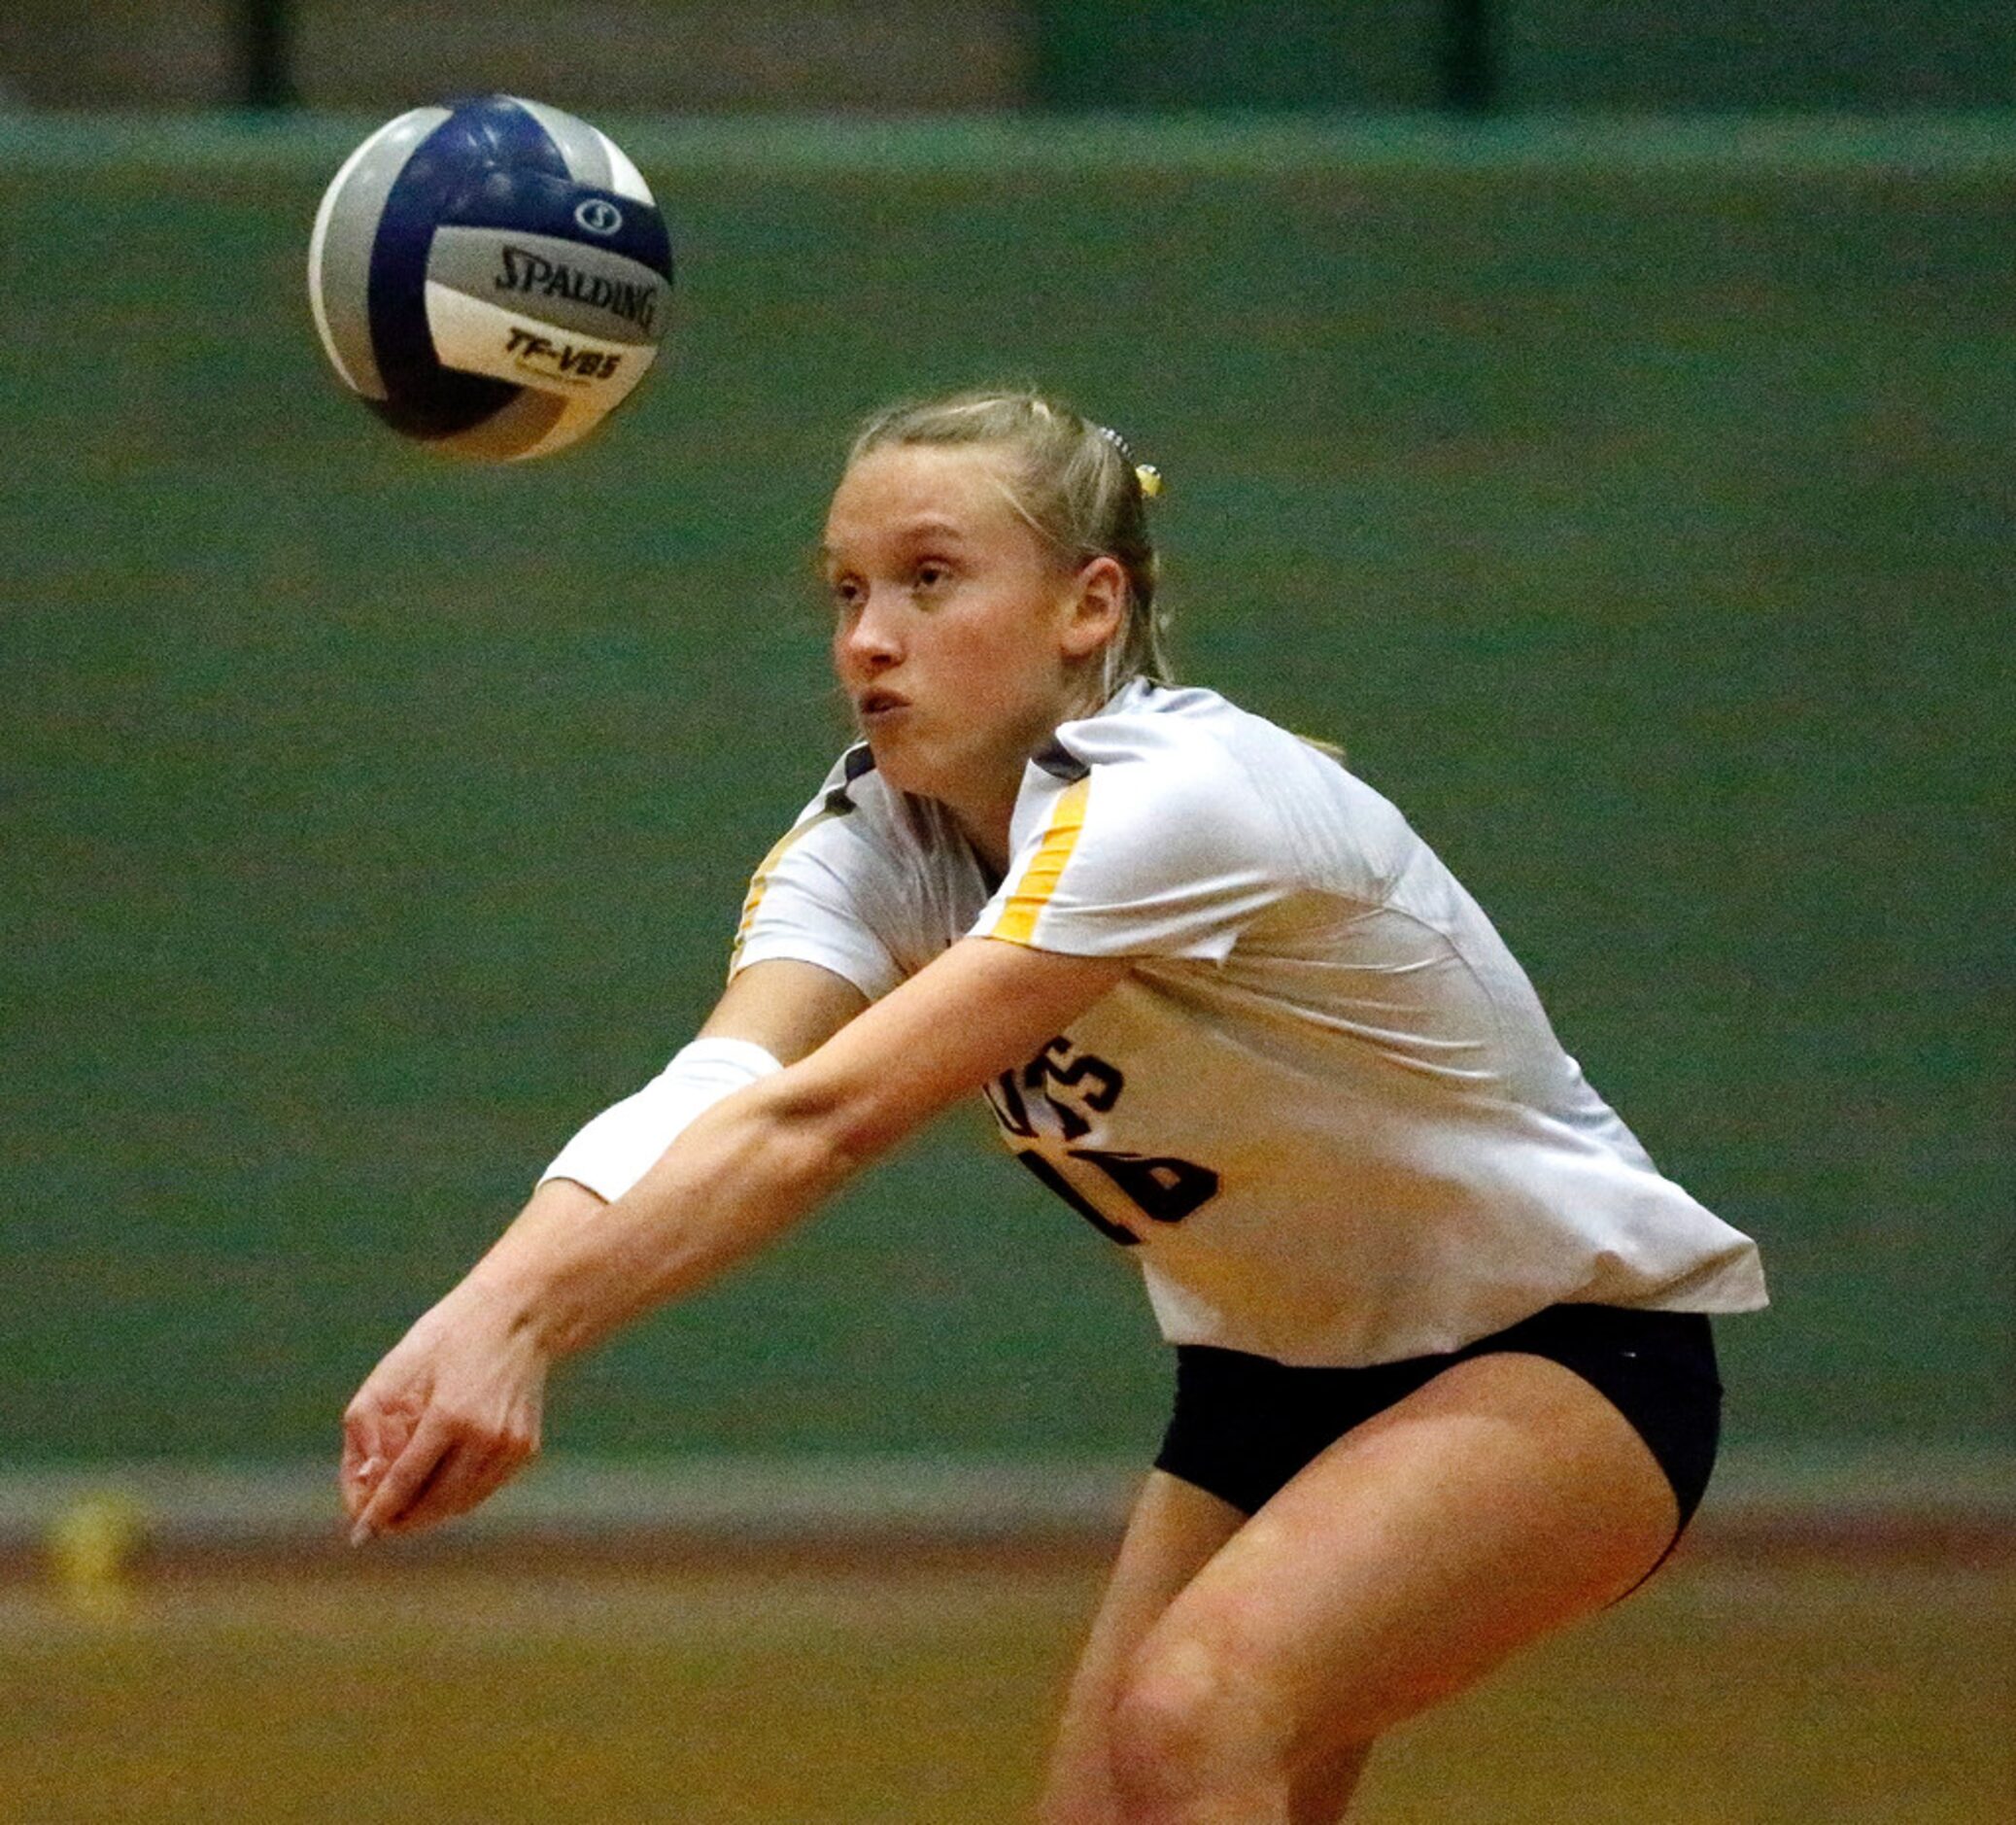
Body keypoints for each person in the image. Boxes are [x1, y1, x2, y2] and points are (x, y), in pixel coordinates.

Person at [340, 389, 1766, 1824]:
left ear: (1090, 606)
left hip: (1566, 1351)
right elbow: (727, 1085)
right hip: (1269, 1380)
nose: (867, 637)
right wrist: (482, 1304)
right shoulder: (876, 841)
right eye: (846, 591)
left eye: (930, 577)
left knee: (1197, 1712)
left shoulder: (1180, 796)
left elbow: (821, 1123)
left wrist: (532, 1326)